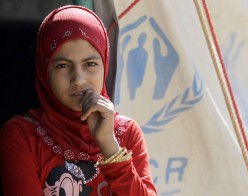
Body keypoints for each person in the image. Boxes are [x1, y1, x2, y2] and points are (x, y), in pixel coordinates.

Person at [0, 5, 157, 196]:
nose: (78, 79)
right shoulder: (22, 135)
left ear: (105, 65)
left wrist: (108, 144)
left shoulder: (127, 134)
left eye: (90, 64)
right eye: (63, 66)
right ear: (44, 71)